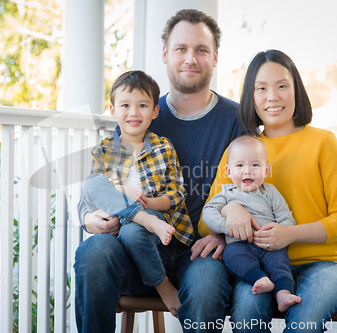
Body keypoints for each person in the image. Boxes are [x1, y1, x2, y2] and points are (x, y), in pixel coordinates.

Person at [75, 9, 242, 333]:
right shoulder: (141, 114)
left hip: (199, 251)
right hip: (136, 249)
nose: (190, 58)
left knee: (208, 287)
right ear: (165, 54)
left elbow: (255, 185)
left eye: (201, 50)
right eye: (181, 49)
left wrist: (225, 234)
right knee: (94, 252)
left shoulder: (234, 120)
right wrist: (88, 218)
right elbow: (96, 183)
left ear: (215, 57)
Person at [199, 49, 337, 332]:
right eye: (261, 88)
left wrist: (289, 234)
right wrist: (230, 208)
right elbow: (205, 224)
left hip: (326, 264)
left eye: (282, 86)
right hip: (261, 267)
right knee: (247, 316)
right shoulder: (241, 151)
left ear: (296, 90)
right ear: (251, 96)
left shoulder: (323, 142)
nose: (272, 97)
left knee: (304, 324)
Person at [81, 70, 195, 316]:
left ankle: (163, 286)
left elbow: (177, 194)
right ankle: (141, 218)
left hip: (153, 220)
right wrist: (121, 191)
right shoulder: (103, 150)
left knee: (134, 230)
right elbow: (95, 193)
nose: (133, 112)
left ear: (154, 111)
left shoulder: (163, 147)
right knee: (90, 182)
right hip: (118, 218)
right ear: (113, 110)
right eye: (125, 105)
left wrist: (149, 203)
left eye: (142, 105)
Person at [202, 135, 301, 313]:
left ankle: (283, 294)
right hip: (240, 245)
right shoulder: (226, 194)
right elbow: (208, 213)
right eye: (240, 165)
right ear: (229, 171)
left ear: (266, 170)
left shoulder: (270, 192)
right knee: (232, 254)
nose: (247, 171)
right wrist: (227, 227)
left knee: (281, 264)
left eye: (255, 165)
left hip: (269, 245)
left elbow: (286, 217)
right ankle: (259, 278)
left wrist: (281, 233)